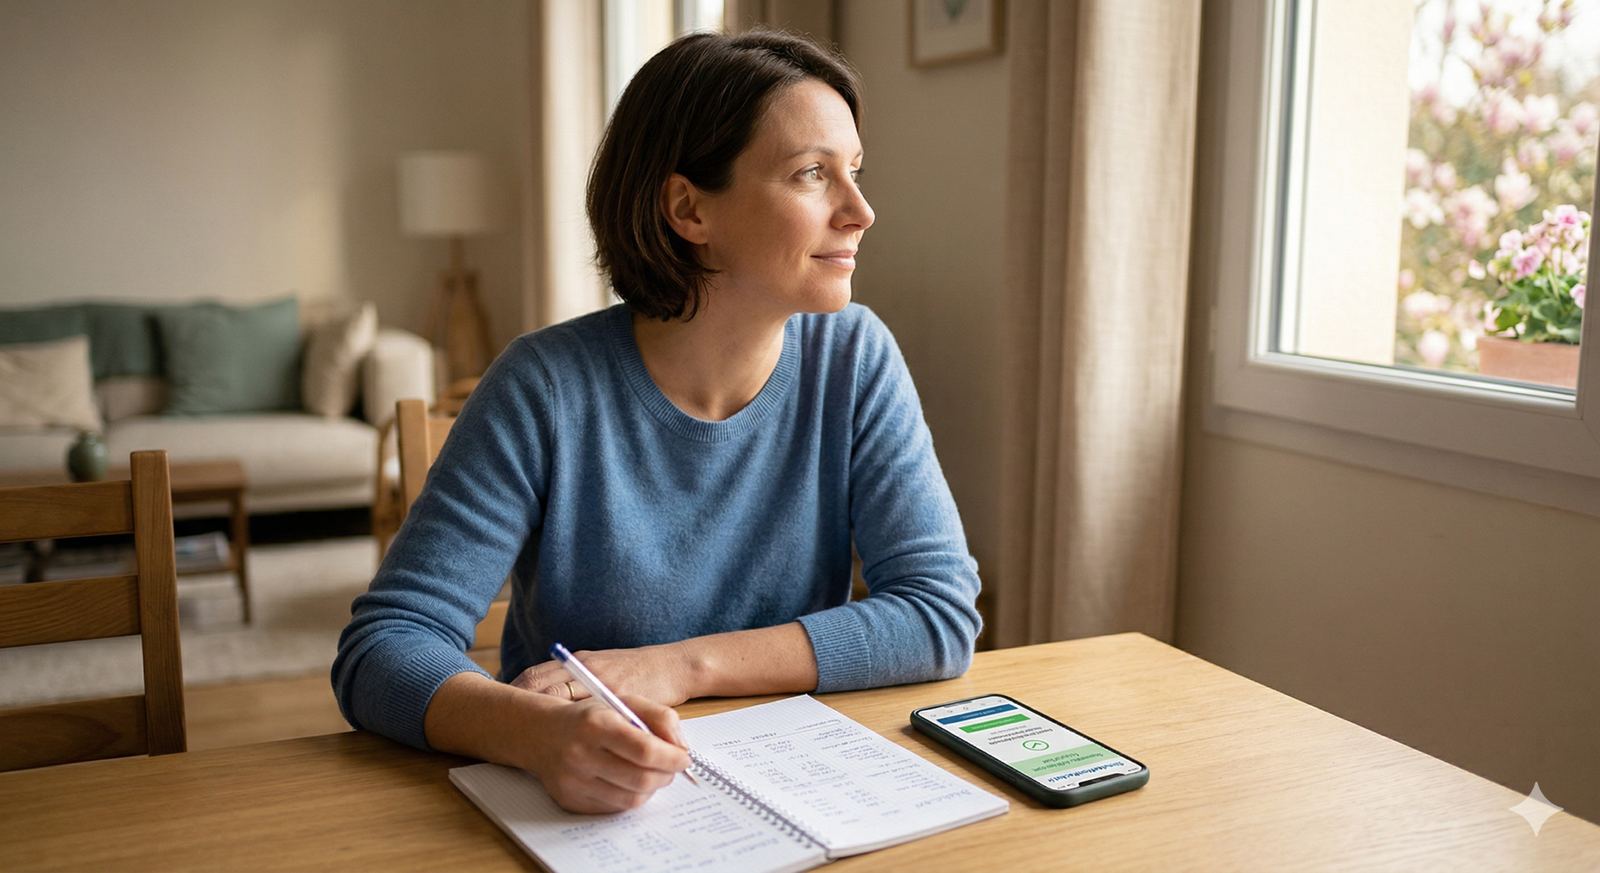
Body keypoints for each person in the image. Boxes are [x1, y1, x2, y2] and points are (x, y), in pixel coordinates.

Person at [332, 29, 981, 814]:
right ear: (688, 208)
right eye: (813, 174)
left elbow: (938, 613)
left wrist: (679, 666)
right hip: (584, 809)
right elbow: (384, 646)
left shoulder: (856, 357)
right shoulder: (542, 386)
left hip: (796, 785)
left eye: (856, 171)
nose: (861, 211)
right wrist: (532, 733)